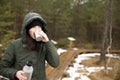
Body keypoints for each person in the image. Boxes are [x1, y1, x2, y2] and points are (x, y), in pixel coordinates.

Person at [0, 12, 60, 80]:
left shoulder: (43, 45)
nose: (37, 30)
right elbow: (2, 68)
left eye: (39, 27)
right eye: (34, 27)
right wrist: (15, 73)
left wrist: (47, 42)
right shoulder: (14, 45)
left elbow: (55, 63)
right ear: (27, 30)